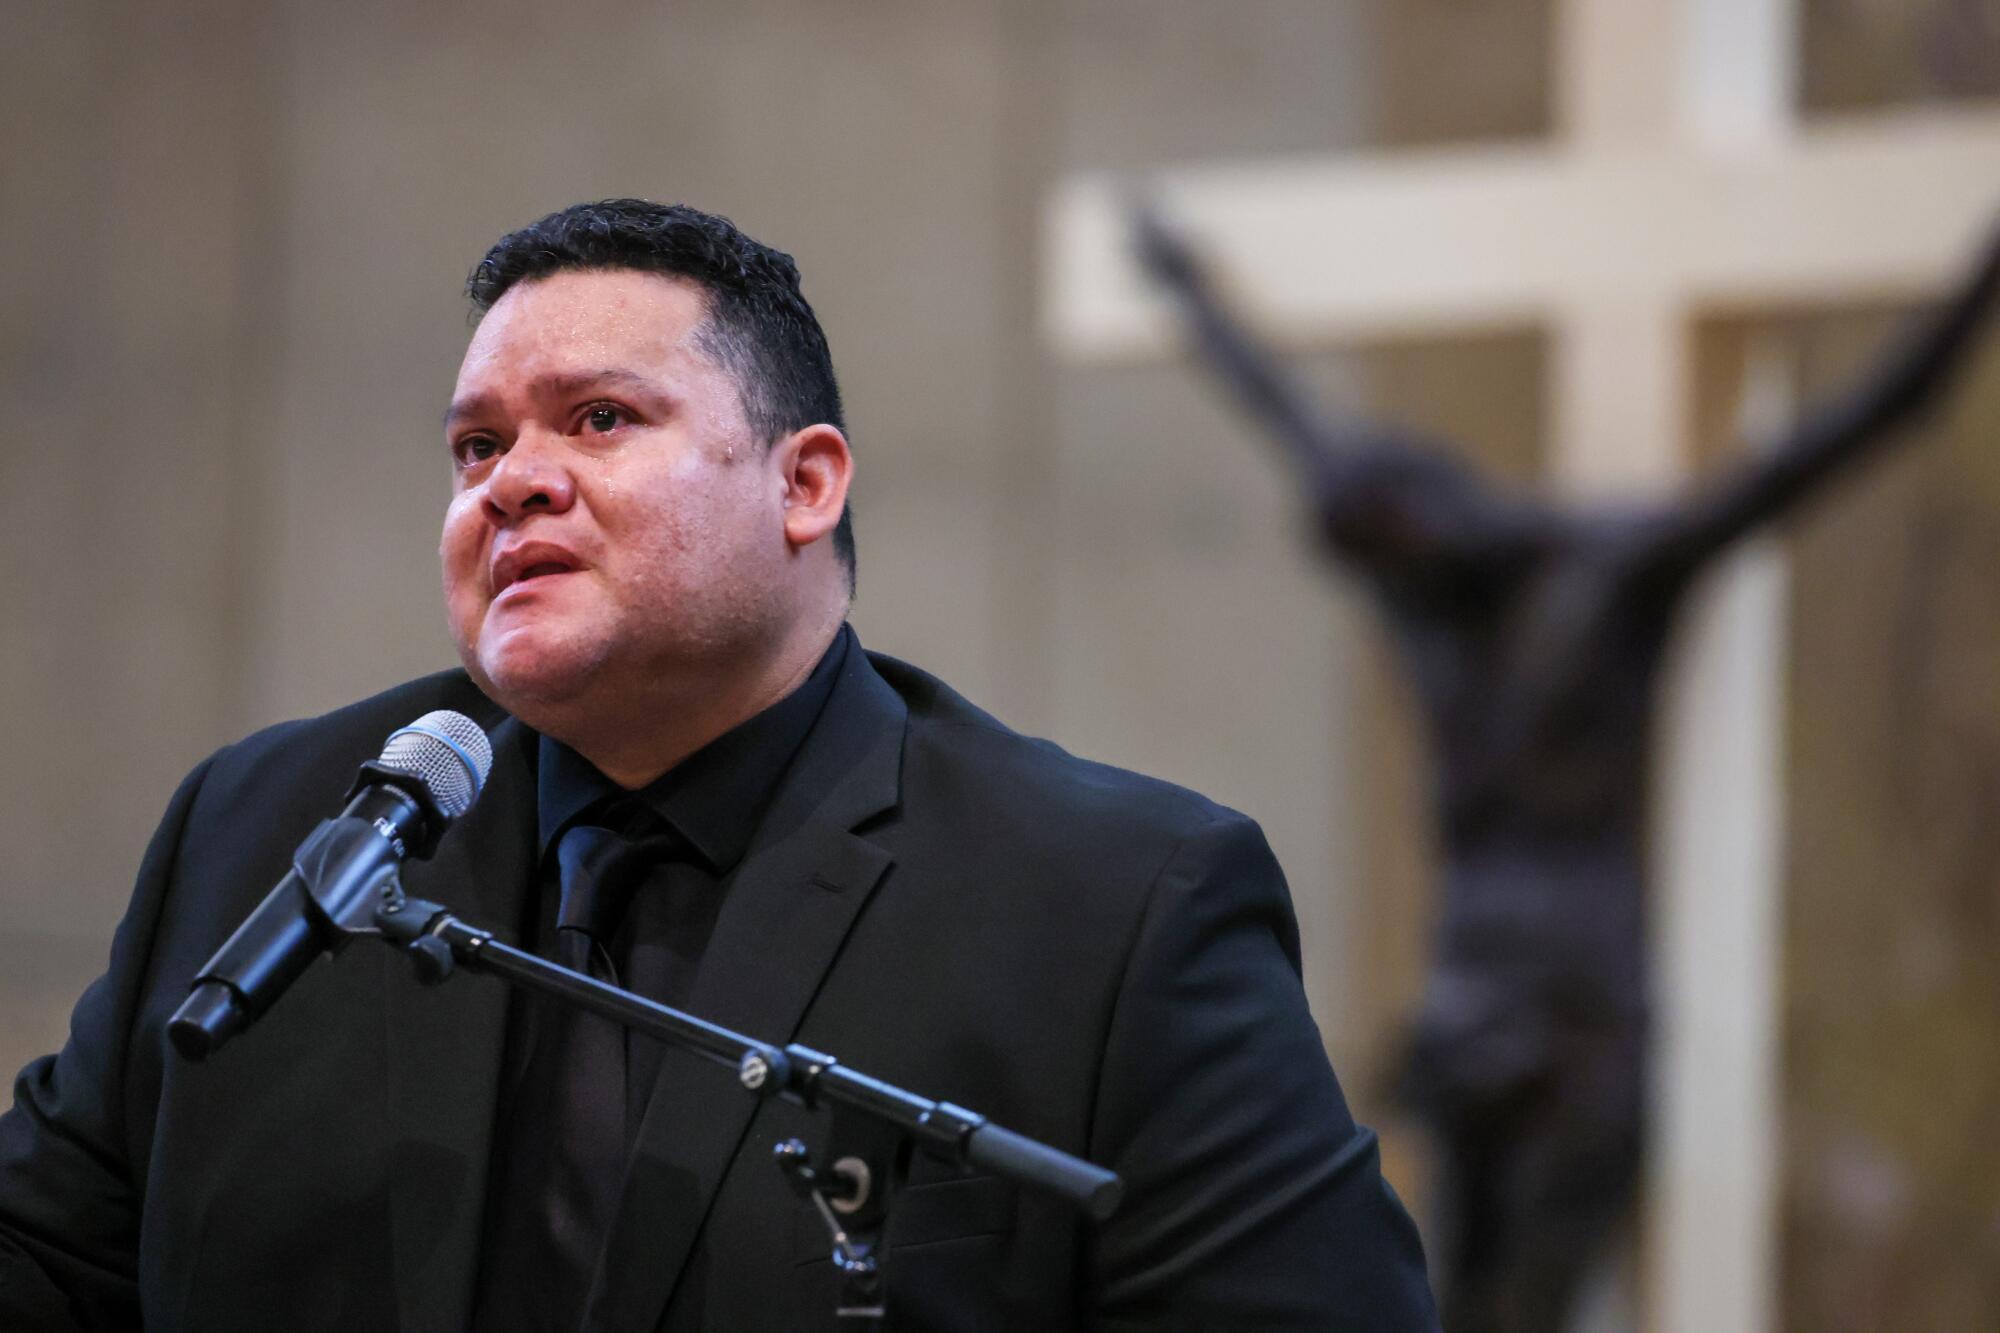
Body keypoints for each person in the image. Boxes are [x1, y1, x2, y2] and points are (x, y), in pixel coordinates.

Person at [0, 199, 1437, 1331]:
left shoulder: (1116, 908)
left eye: (600, 419)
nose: (512, 480)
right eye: (475, 444)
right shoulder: (263, 837)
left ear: (805, 482)